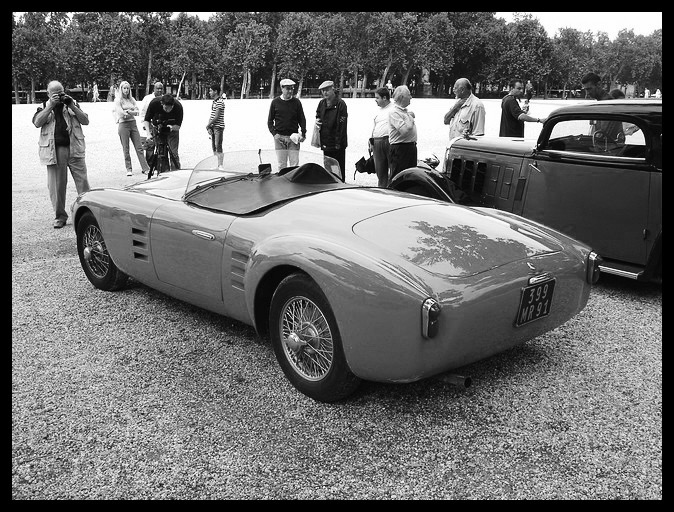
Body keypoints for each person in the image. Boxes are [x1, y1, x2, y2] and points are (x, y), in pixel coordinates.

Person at [32, 80, 91, 229]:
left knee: (83, 183)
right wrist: (51, 105)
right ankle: (60, 216)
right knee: (57, 187)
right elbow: (37, 123)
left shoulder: (71, 103)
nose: (58, 96)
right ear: (48, 94)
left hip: (74, 147)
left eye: (61, 92)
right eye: (55, 94)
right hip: (55, 150)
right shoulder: (44, 106)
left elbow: (85, 121)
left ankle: (88, 214)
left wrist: (71, 105)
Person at [267, 78, 307, 171]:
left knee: (294, 165)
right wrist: (274, 134)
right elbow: (269, 121)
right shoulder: (275, 102)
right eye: (287, 88)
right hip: (279, 138)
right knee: (281, 165)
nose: (290, 91)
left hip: (293, 138)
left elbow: (302, 119)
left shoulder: (297, 102)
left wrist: (303, 133)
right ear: (282, 88)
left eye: (292, 88)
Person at [114, 80, 150, 177]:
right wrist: (130, 112)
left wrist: (129, 112)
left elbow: (137, 111)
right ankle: (129, 168)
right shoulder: (118, 100)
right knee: (126, 148)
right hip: (123, 124)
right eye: (124, 88)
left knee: (139, 147)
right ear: (121, 89)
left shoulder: (132, 99)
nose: (126, 90)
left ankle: (145, 168)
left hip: (132, 123)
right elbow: (121, 113)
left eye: (128, 88)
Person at [316, 80, 348, 180]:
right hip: (326, 141)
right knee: (328, 168)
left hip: (337, 142)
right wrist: (317, 120)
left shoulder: (340, 104)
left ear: (333, 89)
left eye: (327, 90)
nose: (325, 93)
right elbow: (318, 114)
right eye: (323, 91)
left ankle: (340, 185)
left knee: (338, 168)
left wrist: (338, 143)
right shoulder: (322, 103)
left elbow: (342, 125)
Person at [143, 93, 183, 170]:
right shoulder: (154, 103)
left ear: (173, 105)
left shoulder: (178, 106)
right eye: (166, 108)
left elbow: (178, 126)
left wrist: (171, 127)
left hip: (172, 130)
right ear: (162, 104)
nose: (168, 110)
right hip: (158, 129)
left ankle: (176, 171)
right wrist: (148, 133)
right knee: (161, 154)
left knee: (174, 153)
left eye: (170, 108)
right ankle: (164, 172)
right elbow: (147, 120)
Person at [388, 85, 417, 180]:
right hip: (400, 149)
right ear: (402, 97)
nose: (411, 97)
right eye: (409, 95)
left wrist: (408, 117)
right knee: (398, 177)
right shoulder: (394, 112)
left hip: (410, 147)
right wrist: (410, 119)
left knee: (410, 177)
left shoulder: (405, 112)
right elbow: (404, 131)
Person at [369, 87, 394, 187]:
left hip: (389, 140)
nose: (375, 100)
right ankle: (382, 188)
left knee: (392, 169)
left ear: (384, 98)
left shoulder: (394, 108)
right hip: (377, 141)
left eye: (377, 98)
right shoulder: (377, 111)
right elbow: (375, 127)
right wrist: (371, 141)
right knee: (380, 170)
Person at [139, 82, 164, 162]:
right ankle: (149, 165)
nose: (159, 90)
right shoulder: (147, 99)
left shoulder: (165, 99)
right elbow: (142, 112)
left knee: (161, 146)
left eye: (161, 88)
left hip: (160, 125)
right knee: (150, 145)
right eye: (158, 88)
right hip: (149, 124)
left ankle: (160, 165)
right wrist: (144, 124)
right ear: (154, 89)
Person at [206, 83, 226, 170]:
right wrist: (209, 126)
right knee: (214, 146)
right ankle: (216, 164)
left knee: (218, 145)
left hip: (218, 127)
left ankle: (220, 165)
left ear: (215, 91)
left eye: (211, 91)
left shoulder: (220, 102)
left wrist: (208, 125)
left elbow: (217, 116)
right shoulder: (214, 102)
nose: (209, 92)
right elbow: (212, 115)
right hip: (213, 126)